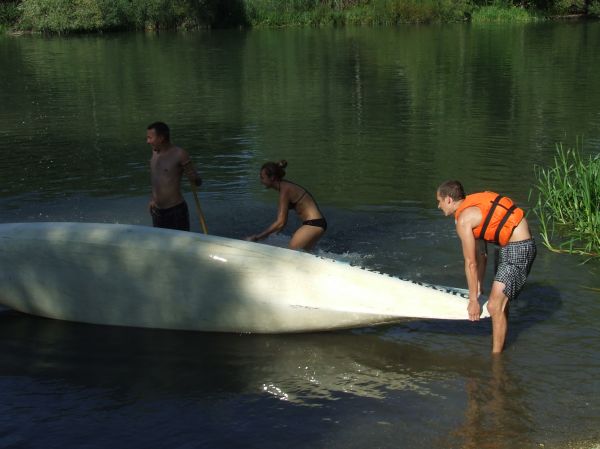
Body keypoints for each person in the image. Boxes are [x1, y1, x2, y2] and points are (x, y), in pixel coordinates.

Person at [436, 180, 536, 353]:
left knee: (493, 306)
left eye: (439, 201)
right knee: (500, 302)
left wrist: (473, 301)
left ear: (449, 200)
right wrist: (478, 287)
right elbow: (482, 255)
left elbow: (470, 262)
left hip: (520, 248)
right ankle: (502, 345)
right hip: (507, 247)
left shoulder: (463, 221)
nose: (438, 206)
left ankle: (496, 361)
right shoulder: (472, 211)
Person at [246, 160, 327, 251]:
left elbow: (281, 222)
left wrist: (258, 237)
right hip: (314, 224)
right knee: (303, 255)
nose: (261, 181)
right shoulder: (284, 187)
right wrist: (271, 236)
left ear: (272, 177)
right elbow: (282, 223)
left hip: (313, 225)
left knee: (290, 253)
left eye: (262, 178)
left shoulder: (285, 190)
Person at [147, 121, 201, 231]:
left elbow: (198, 182)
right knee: (160, 245)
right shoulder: (154, 152)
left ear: (161, 138)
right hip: (157, 211)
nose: (147, 141)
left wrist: (194, 177)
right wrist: (153, 199)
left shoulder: (179, 154)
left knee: (181, 245)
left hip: (175, 211)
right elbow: (156, 179)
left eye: (150, 138)